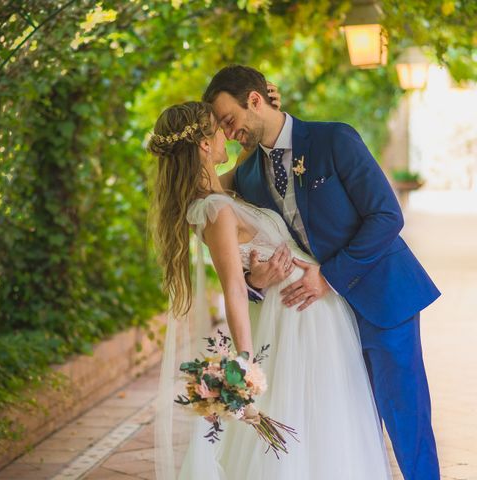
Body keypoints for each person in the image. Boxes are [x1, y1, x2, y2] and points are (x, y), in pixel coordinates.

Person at [202, 65, 441, 480]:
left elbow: (386, 216)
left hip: (383, 300)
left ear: (255, 100)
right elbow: (214, 206)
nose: (230, 132)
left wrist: (327, 276)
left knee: (407, 422)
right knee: (353, 424)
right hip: (323, 325)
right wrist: (255, 280)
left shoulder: (335, 139)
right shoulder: (250, 174)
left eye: (230, 120)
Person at [149, 101, 391, 479]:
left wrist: (267, 103)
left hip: (308, 311)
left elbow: (259, 140)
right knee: (310, 419)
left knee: (323, 420)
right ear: (202, 146)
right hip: (294, 319)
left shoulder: (222, 191)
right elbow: (232, 290)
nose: (227, 134)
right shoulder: (215, 209)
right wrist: (243, 369)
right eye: (218, 129)